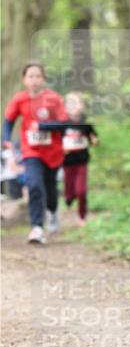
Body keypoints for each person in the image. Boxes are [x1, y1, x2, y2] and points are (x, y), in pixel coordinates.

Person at [2, 63, 68, 244]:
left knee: (51, 190)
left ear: (43, 79)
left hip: (53, 152)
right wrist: (6, 139)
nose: (34, 80)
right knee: (34, 185)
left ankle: (53, 212)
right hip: (31, 151)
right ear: (24, 80)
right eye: (30, 76)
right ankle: (37, 227)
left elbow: (63, 123)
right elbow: (8, 121)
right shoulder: (19, 99)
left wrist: (43, 126)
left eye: (38, 76)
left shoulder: (54, 99)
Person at [39, 92, 98, 225]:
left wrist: (94, 140)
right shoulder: (62, 124)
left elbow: (94, 137)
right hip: (67, 162)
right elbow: (55, 139)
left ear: (82, 106)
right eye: (70, 104)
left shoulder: (86, 125)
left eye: (76, 103)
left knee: (81, 191)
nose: (73, 106)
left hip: (82, 161)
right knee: (69, 191)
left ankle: (82, 217)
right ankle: (68, 198)